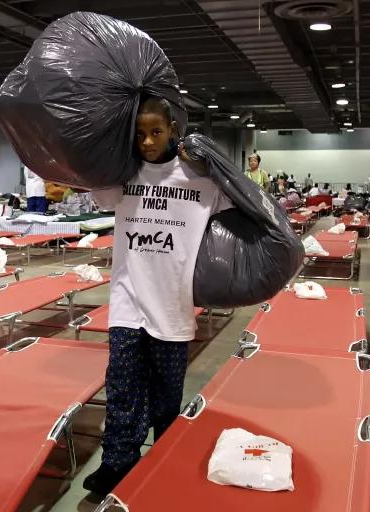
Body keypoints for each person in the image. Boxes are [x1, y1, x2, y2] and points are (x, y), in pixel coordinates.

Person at [84, 96, 232, 495]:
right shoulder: (122, 174)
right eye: (139, 133)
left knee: (168, 395)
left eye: (156, 132)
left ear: (173, 131)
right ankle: (117, 463)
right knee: (121, 388)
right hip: (127, 300)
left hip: (174, 303)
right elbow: (95, 186)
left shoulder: (198, 179)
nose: (147, 142)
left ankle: (167, 457)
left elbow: (239, 204)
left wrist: (211, 166)